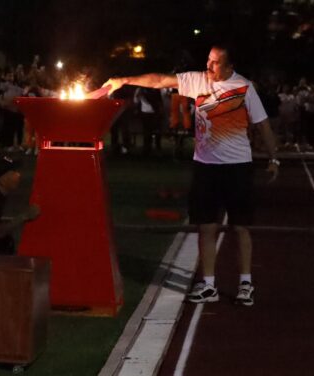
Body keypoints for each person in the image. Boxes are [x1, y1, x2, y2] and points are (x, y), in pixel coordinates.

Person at [103, 44, 278, 306]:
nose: (209, 67)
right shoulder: (197, 80)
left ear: (230, 66)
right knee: (206, 226)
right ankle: (209, 285)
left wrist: (274, 157)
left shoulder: (244, 87)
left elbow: (262, 123)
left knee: (240, 226)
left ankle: (245, 282)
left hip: (238, 166)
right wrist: (124, 79)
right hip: (206, 167)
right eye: (208, 60)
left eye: (215, 63)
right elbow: (160, 80)